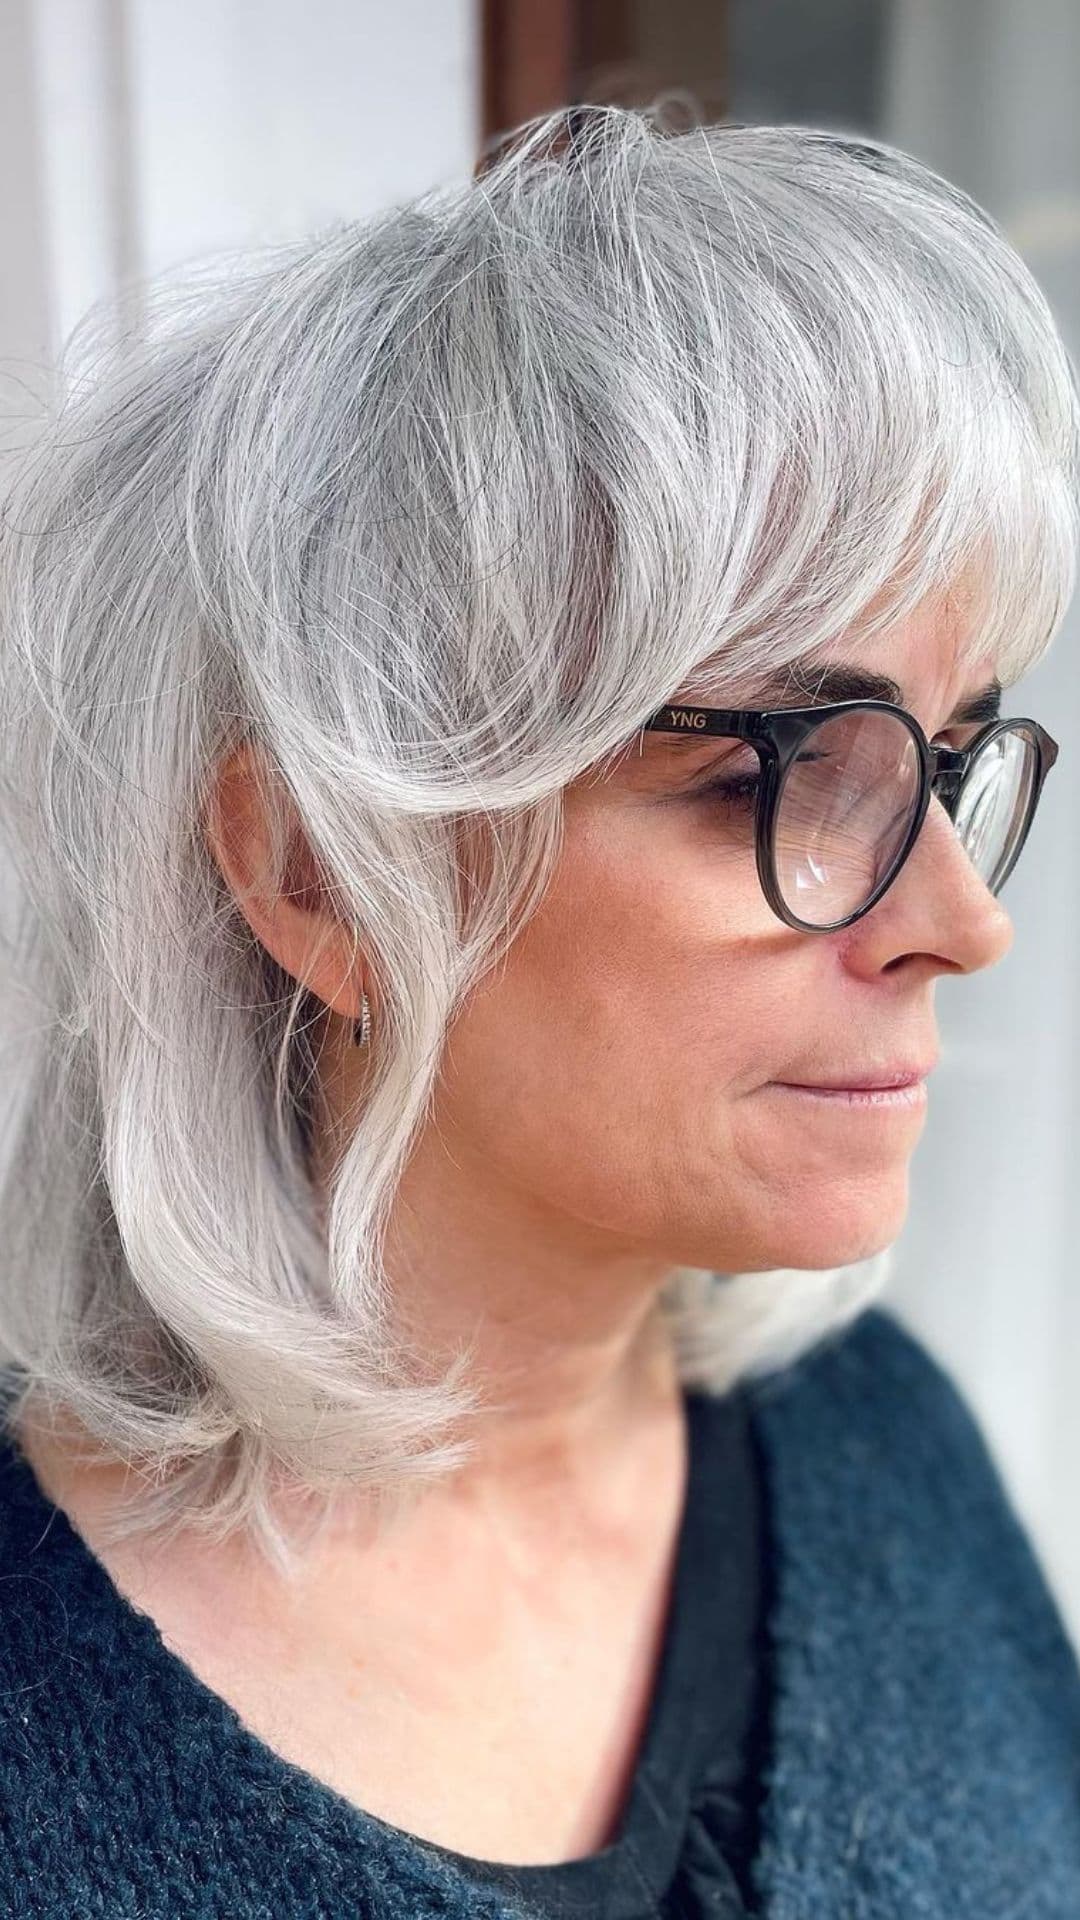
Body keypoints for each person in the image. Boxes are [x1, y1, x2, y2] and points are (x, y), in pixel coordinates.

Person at [0, 101, 1077, 1920]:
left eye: (954, 757)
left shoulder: (884, 1458)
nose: (962, 926)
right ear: (324, 878)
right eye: (799, 764)